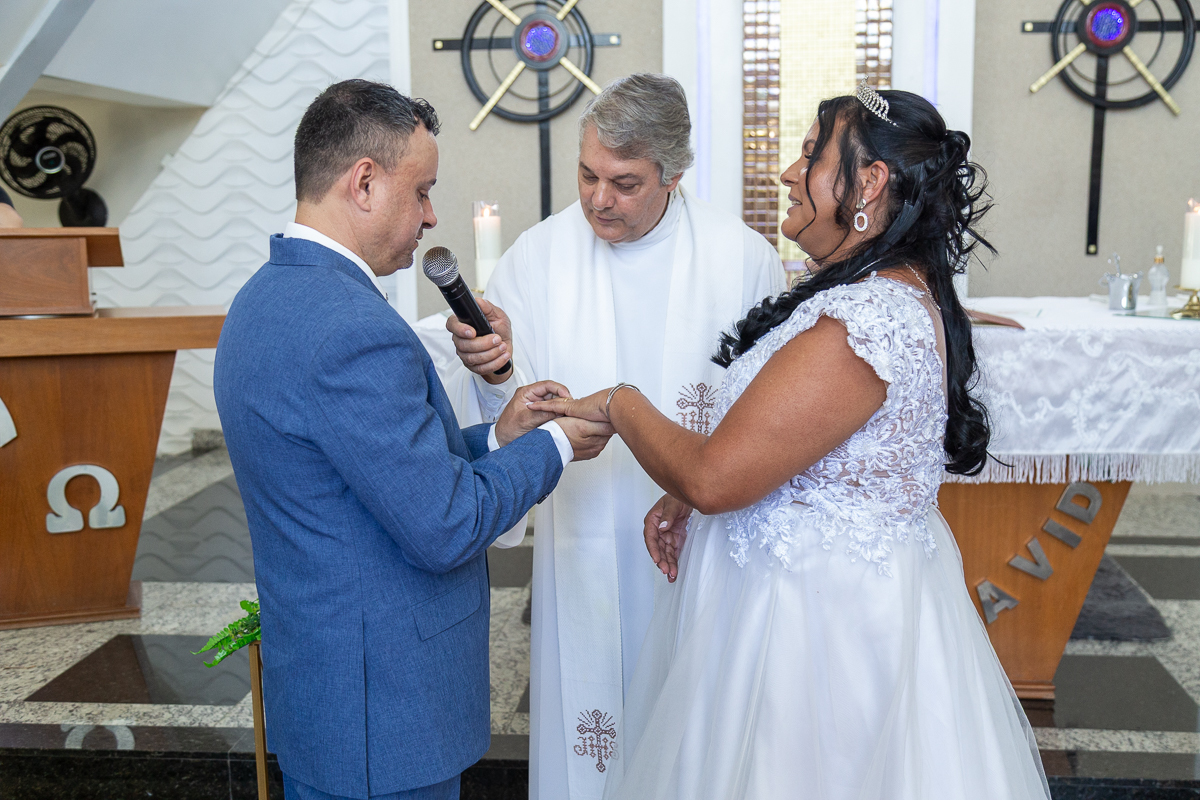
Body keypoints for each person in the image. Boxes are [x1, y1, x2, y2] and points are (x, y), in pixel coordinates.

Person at [531, 84, 1052, 799]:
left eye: (810, 156)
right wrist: (695, 487)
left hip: (815, 639)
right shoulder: (875, 294)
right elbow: (792, 447)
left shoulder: (859, 325)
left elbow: (717, 478)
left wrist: (622, 403)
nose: (786, 173)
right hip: (810, 606)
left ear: (867, 184)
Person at [214, 80, 614, 800]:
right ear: (363, 182)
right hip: (384, 714)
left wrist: (499, 435)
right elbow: (444, 524)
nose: (431, 217)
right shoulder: (352, 329)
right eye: (422, 191)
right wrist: (554, 446)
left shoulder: (264, 298)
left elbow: (369, 468)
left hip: (330, 692)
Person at [438, 73, 785, 800]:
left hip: (700, 538)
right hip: (585, 532)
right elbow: (511, 409)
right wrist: (494, 367)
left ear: (674, 174)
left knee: (691, 725)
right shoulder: (537, 257)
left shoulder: (742, 258)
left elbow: (767, 409)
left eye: (625, 183)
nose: (598, 199)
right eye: (588, 175)